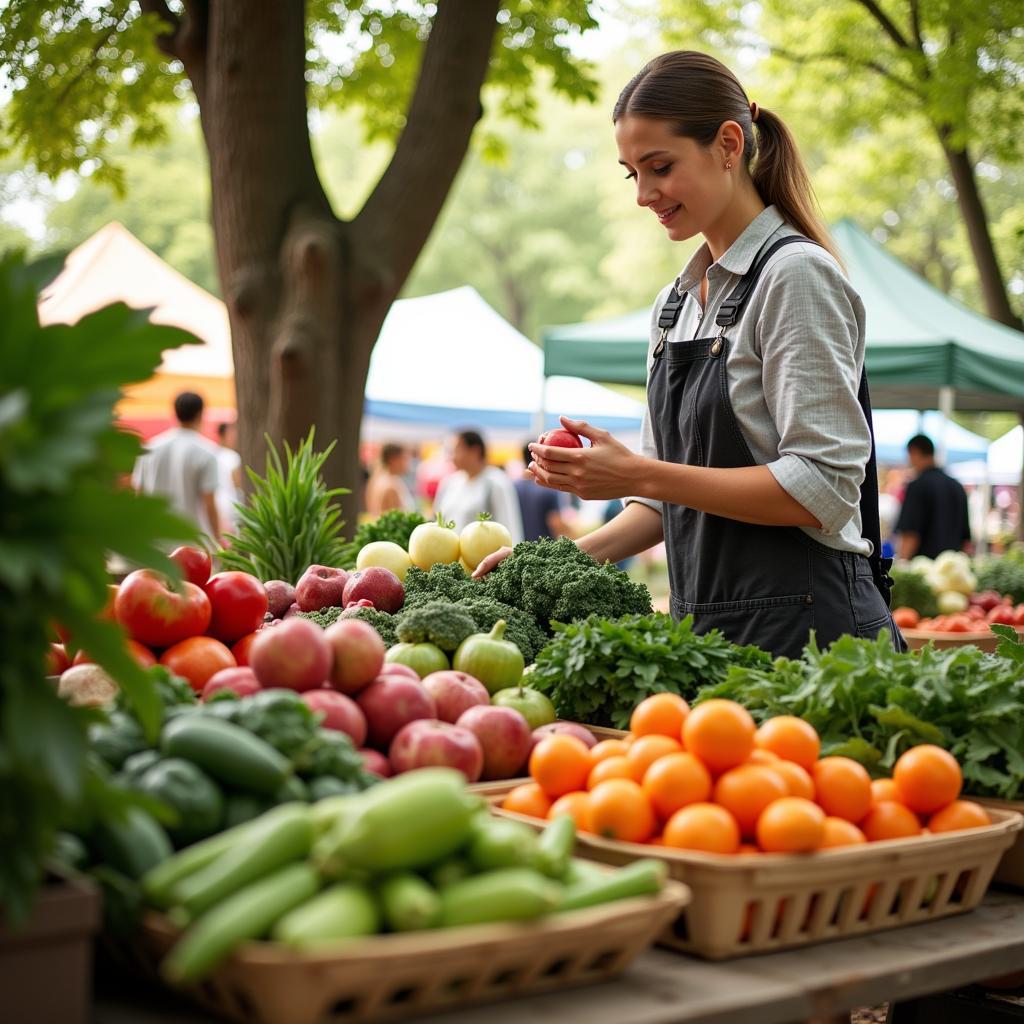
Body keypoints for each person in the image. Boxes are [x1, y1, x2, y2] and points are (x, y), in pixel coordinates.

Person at [475, 50, 903, 658]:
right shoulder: (673, 306)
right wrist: (545, 562)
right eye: (631, 173)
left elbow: (824, 487)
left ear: (729, 144)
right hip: (712, 642)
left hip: (816, 646)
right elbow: (661, 503)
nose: (644, 194)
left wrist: (640, 472)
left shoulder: (795, 276)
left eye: (660, 167)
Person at [132, 391, 223, 546]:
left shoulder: (149, 449)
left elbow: (139, 495)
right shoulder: (207, 452)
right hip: (193, 543)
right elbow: (209, 503)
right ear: (201, 414)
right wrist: (218, 541)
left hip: (156, 541)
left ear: (175, 412)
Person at [435, 430, 524, 542]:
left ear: (475, 451)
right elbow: (436, 521)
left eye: (456, 450)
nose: (452, 456)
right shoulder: (449, 483)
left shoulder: (496, 483)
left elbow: (510, 529)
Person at [894, 434, 972, 559]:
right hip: (952, 569)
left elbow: (910, 534)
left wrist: (902, 564)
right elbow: (965, 541)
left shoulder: (917, 486)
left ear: (914, 452)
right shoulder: (957, 486)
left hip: (922, 570)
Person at [514, 442, 570, 541]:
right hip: (543, 552)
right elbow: (556, 523)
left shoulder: (513, 487)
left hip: (518, 549)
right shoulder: (550, 488)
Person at [365, 443, 417, 517]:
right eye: (405, 458)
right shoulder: (390, 486)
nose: (408, 463)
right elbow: (397, 520)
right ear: (393, 460)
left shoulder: (377, 478)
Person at [215, 420, 243, 532]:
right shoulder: (233, 457)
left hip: (218, 507)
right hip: (231, 510)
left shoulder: (213, 454)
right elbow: (238, 484)